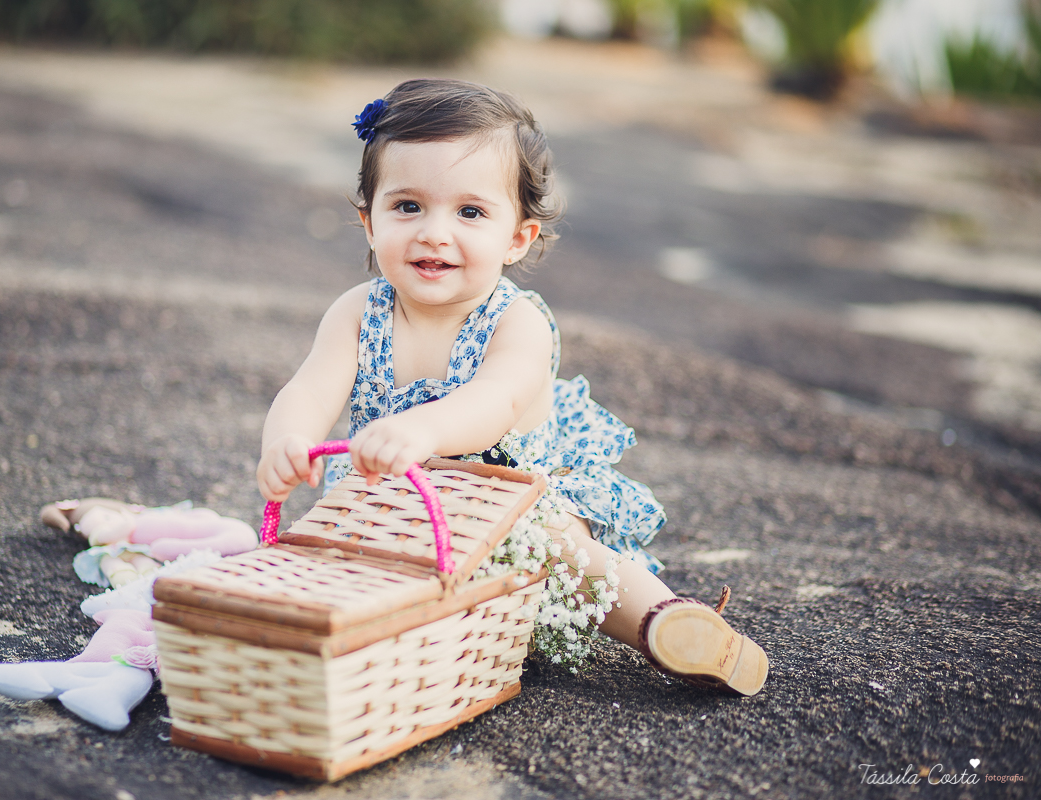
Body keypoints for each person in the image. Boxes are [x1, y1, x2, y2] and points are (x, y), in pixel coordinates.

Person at [256, 79, 767, 696]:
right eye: (407, 206)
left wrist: (420, 429)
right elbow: (309, 388)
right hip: (400, 500)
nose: (434, 233)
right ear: (369, 223)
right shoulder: (355, 313)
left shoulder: (517, 322)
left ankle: (670, 625)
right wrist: (288, 441)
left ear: (518, 237)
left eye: (470, 212)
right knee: (332, 547)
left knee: (568, 558)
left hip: (512, 496)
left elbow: (493, 403)